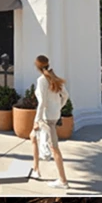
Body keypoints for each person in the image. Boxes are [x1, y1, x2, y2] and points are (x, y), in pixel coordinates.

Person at [30, 55, 69, 188]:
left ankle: (63, 181)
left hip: (46, 118)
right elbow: (65, 96)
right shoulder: (53, 77)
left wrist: (37, 120)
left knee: (54, 149)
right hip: (53, 115)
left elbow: (42, 102)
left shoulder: (42, 80)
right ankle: (36, 170)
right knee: (33, 137)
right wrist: (58, 107)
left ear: (37, 66)